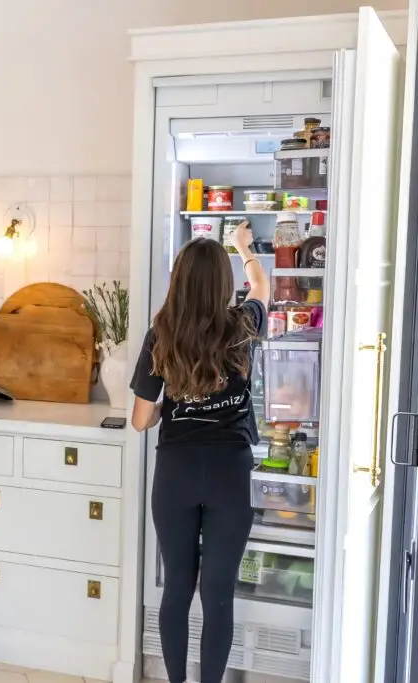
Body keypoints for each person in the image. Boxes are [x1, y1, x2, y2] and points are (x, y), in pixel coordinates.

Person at [130, 222, 269, 683]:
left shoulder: (161, 334)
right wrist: (243, 248)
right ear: (223, 286)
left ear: (178, 281)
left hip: (176, 473)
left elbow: (140, 419)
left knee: (177, 589)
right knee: (218, 592)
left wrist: (173, 404)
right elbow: (263, 287)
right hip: (230, 473)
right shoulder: (244, 323)